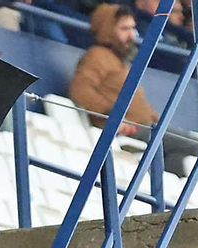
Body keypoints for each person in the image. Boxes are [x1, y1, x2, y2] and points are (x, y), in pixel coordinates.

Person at [68, 5, 191, 171]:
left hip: (146, 128)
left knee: (181, 157)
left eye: (133, 28)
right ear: (107, 30)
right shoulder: (96, 57)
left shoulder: (120, 63)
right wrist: (111, 116)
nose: (132, 35)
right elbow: (80, 90)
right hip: (129, 131)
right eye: (124, 29)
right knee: (197, 146)